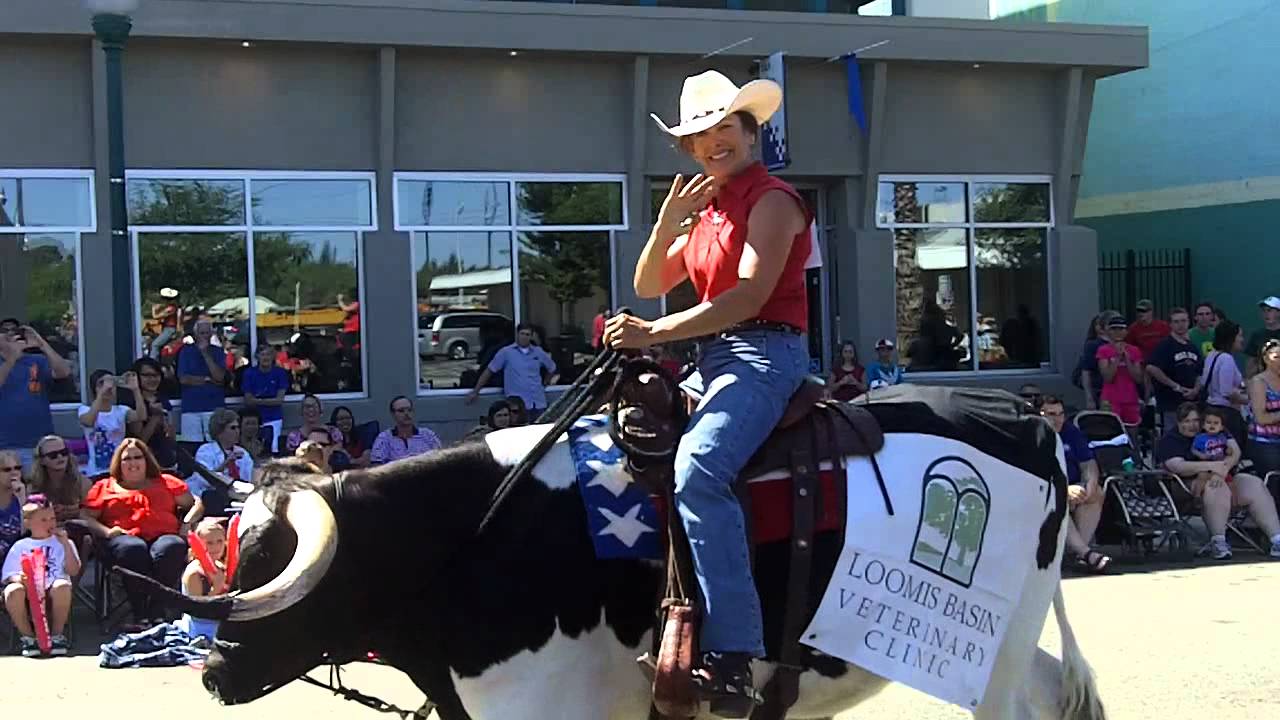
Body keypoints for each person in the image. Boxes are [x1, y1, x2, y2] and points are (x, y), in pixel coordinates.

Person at [605, 69, 811, 712]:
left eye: (727, 127)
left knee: (699, 472)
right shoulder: (710, 208)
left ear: (751, 133)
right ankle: (667, 612)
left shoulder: (772, 200)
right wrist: (669, 220)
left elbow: (748, 295)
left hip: (765, 353)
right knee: (624, 451)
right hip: (715, 355)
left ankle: (733, 655)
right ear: (690, 150)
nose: (715, 141)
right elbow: (647, 280)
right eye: (701, 135)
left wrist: (654, 333)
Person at [80, 439, 201, 628]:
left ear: (147, 460)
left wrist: (186, 523)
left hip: (163, 535)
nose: (133, 463)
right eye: (126, 459)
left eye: (138, 457)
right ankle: (139, 612)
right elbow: (86, 517)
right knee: (134, 549)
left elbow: (196, 503)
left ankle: (157, 608)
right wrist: (107, 531)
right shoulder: (104, 487)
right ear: (118, 463)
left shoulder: (166, 482)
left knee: (172, 547)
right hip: (122, 539)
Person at [1157, 402, 1280, 560]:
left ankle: (1276, 539)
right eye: (1186, 421)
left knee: (1253, 484)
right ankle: (1218, 541)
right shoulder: (1171, 439)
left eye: (1195, 421)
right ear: (1179, 422)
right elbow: (1177, 466)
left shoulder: (1213, 428)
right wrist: (1213, 467)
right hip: (1187, 487)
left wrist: (1222, 470)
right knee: (1216, 486)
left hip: (1225, 477)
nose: (1192, 425)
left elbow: (1235, 452)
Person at [1, 495, 81, 657]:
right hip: (28, 590)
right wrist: (19, 579)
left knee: (62, 585)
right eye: (43, 520)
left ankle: (57, 635)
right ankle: (28, 638)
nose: (50, 523)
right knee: (12, 590)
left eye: (52, 518)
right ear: (27, 523)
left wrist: (66, 544)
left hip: (53, 588)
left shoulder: (64, 543)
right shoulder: (20, 545)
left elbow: (73, 571)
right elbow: (8, 575)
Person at [1039, 396, 1110, 572]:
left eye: (1061, 414)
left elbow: (1088, 463)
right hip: (1045, 491)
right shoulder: (1033, 435)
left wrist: (1090, 482)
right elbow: (1038, 475)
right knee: (1058, 498)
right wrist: (1065, 490)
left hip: (1074, 486)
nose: (1058, 419)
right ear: (1039, 414)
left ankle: (1079, 554)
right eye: (1051, 414)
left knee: (1096, 493)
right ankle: (1087, 553)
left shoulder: (1071, 432)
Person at [0, 322, 72, 468]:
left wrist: (42, 344)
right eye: (4, 331)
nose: (10, 334)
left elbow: (63, 372)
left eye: (15, 331)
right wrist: (12, 358)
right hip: (5, 445)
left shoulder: (37, 361)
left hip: (40, 444)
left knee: (41, 490)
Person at [465, 324, 557, 421]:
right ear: (517, 334)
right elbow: (489, 371)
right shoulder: (506, 352)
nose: (524, 337)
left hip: (537, 402)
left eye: (527, 334)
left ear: (531, 336)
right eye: (522, 334)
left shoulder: (538, 352)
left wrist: (545, 383)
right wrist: (476, 391)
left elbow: (552, 368)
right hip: (516, 405)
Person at [79, 369, 147, 478]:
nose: (108, 387)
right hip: (96, 472)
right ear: (94, 389)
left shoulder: (121, 410)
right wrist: (101, 393)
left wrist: (135, 390)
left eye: (112, 384)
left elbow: (141, 416)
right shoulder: (84, 409)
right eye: (101, 383)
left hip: (119, 469)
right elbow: (88, 421)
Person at [1145, 308, 1203, 433]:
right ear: (1170, 324)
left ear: (1189, 322)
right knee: (1173, 435)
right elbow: (1151, 367)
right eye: (1176, 322)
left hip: (1191, 402)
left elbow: (1200, 371)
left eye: (1183, 321)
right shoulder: (1165, 345)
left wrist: (1196, 389)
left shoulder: (1192, 346)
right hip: (1171, 402)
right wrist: (1175, 386)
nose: (1181, 325)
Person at [28, 436, 91, 548]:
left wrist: (71, 511)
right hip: (46, 530)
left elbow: (90, 514)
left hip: (76, 531)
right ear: (42, 460)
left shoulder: (83, 482)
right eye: (53, 455)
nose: (60, 457)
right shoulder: (33, 485)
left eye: (64, 452)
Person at [192, 408, 255, 516]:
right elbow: (204, 479)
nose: (237, 431)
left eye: (238, 427)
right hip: (209, 498)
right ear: (219, 432)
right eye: (232, 428)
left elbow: (247, 480)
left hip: (236, 496)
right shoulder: (205, 451)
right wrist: (226, 463)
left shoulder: (242, 452)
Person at [177, 319, 227, 442]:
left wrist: (205, 353)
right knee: (192, 446)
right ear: (195, 335)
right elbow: (183, 379)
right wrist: (208, 379)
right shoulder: (185, 352)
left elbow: (220, 377)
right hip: (191, 407)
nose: (204, 336)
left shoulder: (218, 352)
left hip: (214, 406)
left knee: (216, 445)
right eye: (201, 333)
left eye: (207, 333)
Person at [177, 517, 226, 641]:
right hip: (201, 630)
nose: (216, 547)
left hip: (221, 622)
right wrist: (217, 588)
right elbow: (198, 611)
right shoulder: (194, 572)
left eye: (219, 541)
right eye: (209, 543)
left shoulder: (220, 565)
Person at [129, 357, 177, 470]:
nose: (152, 379)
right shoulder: (132, 402)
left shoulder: (163, 400)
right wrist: (155, 417)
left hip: (167, 461)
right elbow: (140, 440)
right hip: (145, 463)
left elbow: (172, 436)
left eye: (156, 375)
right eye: (147, 376)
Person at [1096, 314, 1144, 427]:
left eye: (1121, 329)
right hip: (1110, 400)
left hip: (1130, 399)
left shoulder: (1134, 350)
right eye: (1114, 329)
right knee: (1111, 431)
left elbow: (1138, 378)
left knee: (1132, 433)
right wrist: (1117, 357)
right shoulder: (1103, 350)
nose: (1117, 332)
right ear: (1108, 332)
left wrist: (1127, 358)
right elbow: (1107, 377)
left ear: (1126, 331)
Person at [240, 343, 290, 452]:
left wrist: (257, 400)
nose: (265, 357)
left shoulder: (280, 373)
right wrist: (269, 400)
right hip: (254, 420)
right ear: (257, 356)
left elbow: (279, 400)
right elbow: (248, 400)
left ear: (273, 357)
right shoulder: (249, 373)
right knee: (251, 449)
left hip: (274, 418)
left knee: (273, 448)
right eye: (262, 354)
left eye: (268, 354)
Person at [370, 396, 442, 466]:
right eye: (401, 411)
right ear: (393, 414)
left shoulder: (428, 435)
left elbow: (441, 459)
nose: (406, 414)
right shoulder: (384, 438)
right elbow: (376, 465)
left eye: (409, 410)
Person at [1247, 339, 1280, 486]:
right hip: (1266, 443)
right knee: (1273, 484)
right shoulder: (1258, 381)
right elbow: (1260, 417)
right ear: (1266, 358)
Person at [1075, 311, 1118, 411]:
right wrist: (1089, 398)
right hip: (1102, 392)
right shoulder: (1093, 345)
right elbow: (1086, 371)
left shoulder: (1123, 345)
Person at [1246, 296, 1280, 378]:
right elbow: (1250, 364)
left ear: (1279, 313)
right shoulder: (1257, 335)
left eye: (1269, 310)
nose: (1266, 314)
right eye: (1263, 311)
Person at [0, 450, 24, 561]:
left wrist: (22, 502)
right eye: (7, 470)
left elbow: (28, 536)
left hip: (17, 558)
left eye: (17, 468)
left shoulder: (27, 498)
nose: (14, 473)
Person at [149, 287, 183, 359]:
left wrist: (154, 309)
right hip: (167, 329)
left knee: (155, 345)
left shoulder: (170, 308)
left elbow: (156, 316)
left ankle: (153, 362)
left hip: (169, 329)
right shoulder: (171, 307)